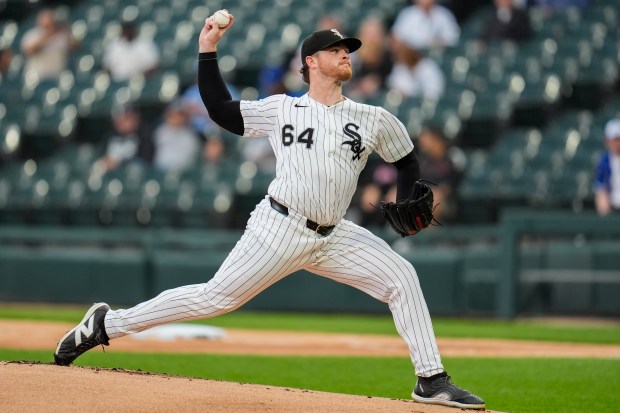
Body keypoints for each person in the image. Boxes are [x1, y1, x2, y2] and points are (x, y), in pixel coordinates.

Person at [53, 13, 486, 411]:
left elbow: (407, 159)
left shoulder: (373, 117)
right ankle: (107, 324)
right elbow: (221, 111)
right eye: (336, 50)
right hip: (280, 226)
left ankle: (431, 379)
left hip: (335, 235)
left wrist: (409, 194)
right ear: (312, 62)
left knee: (402, 277)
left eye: (348, 50)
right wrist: (208, 51)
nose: (345, 54)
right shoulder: (283, 108)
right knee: (214, 298)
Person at [91, 104, 153, 174]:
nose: (124, 122)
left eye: (128, 117)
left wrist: (119, 163)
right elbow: (101, 157)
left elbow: (145, 163)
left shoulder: (144, 135)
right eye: (121, 118)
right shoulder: (109, 137)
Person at [20, 8, 77, 80]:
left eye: (51, 19)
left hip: (56, 76)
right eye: (47, 19)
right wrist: (48, 36)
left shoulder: (61, 35)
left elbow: (75, 47)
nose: (49, 22)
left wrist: (68, 31)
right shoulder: (32, 35)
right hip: (36, 77)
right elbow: (30, 50)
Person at [345, 16, 393, 101]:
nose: (371, 40)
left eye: (375, 36)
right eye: (367, 35)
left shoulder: (392, 60)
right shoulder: (352, 61)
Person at [152, 100, 201, 173]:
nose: (176, 118)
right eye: (173, 114)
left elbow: (192, 160)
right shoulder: (159, 132)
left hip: (182, 173)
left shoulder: (191, 136)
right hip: (160, 172)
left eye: (180, 115)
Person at [391, 0, 460, 51]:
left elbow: (452, 40)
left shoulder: (444, 15)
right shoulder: (406, 14)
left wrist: (436, 42)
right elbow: (396, 39)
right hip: (412, 57)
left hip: (436, 56)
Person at [594, 119, 620, 216]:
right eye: (613, 139)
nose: (616, 143)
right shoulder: (604, 160)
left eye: (618, 139)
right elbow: (601, 186)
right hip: (613, 207)